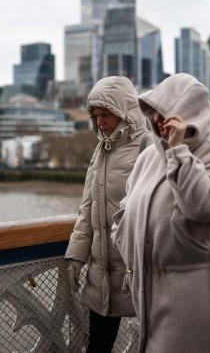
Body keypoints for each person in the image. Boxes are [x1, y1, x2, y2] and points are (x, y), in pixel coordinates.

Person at [112, 73, 210, 352]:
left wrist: (179, 152)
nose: (156, 120)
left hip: (202, 298)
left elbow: (202, 206)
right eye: (152, 111)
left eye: (164, 113)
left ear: (190, 114)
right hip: (152, 297)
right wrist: (122, 237)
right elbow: (127, 206)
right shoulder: (147, 158)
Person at [65, 76, 150, 352]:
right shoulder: (100, 150)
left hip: (138, 265)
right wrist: (77, 256)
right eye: (96, 115)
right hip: (102, 270)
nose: (100, 122)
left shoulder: (147, 145)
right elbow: (87, 208)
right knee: (98, 344)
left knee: (153, 341)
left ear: (125, 111)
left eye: (106, 114)